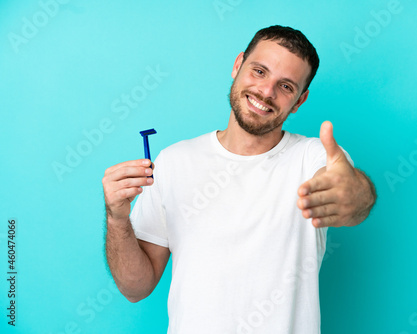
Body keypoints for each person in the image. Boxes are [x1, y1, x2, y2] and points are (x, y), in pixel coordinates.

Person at [103, 25, 376, 333]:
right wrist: (116, 219)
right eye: (259, 71)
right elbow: (135, 288)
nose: (266, 91)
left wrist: (353, 194)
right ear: (237, 66)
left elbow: (355, 199)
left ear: (299, 102)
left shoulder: (312, 159)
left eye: (286, 87)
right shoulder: (174, 161)